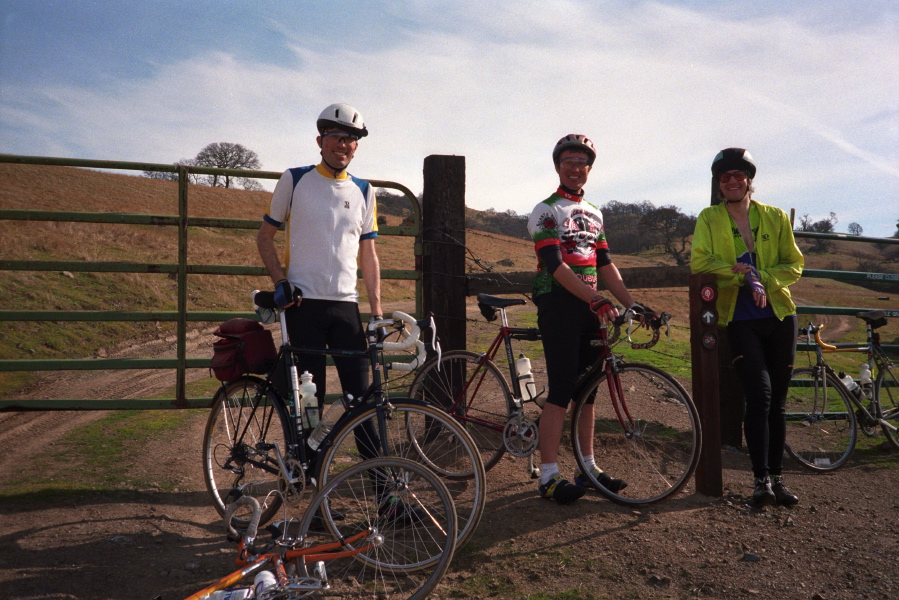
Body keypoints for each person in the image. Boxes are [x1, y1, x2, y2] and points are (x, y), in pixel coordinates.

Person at [527, 134, 654, 504]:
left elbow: (604, 264)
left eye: (581, 162)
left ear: (589, 169)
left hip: (590, 307)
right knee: (563, 389)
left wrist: (631, 303)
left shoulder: (596, 214)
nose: (575, 168)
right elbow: (554, 265)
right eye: (568, 161)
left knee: (589, 393)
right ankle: (548, 476)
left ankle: (588, 467)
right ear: (558, 167)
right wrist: (596, 298)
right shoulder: (546, 209)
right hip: (559, 302)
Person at [256, 102, 383, 462]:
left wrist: (376, 314)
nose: (343, 145)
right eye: (336, 137)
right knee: (309, 408)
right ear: (320, 140)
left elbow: (369, 255)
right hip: (303, 306)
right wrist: (280, 280)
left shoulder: (364, 189)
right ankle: (309, 494)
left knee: (362, 404)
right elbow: (264, 237)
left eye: (350, 140)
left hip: (346, 307)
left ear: (356, 146)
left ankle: (384, 495)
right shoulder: (294, 179)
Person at [691, 148, 804, 507]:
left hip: (780, 317)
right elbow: (700, 260)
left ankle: (778, 479)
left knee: (779, 404)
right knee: (759, 397)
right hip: (740, 319)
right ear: (719, 184)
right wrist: (738, 274)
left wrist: (763, 277)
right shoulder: (709, 218)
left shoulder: (774, 217)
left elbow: (794, 264)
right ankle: (760, 481)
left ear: (749, 180)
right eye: (725, 177)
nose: (732, 181)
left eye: (738, 175)